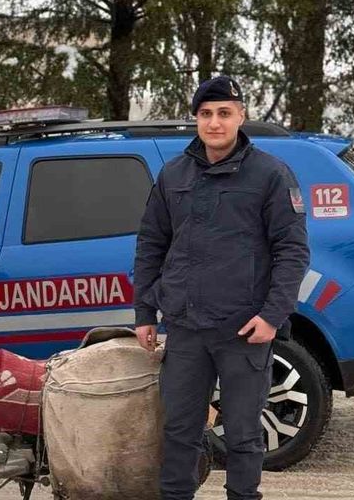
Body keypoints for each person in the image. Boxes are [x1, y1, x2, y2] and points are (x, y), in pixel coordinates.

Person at [133, 75, 309, 500]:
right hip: (186, 328)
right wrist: (144, 313)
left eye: (224, 113)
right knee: (179, 430)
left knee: (245, 434)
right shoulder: (173, 173)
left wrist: (271, 316)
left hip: (243, 330)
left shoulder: (270, 174)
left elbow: (293, 251)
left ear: (240, 117)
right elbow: (151, 243)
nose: (215, 123)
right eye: (207, 114)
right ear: (196, 119)